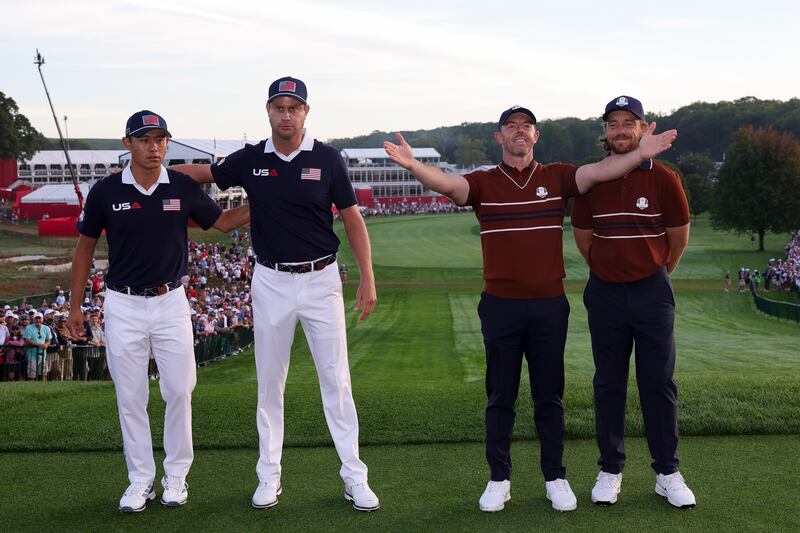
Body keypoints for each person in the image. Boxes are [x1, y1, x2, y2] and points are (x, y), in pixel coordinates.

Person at [384, 104, 677, 513]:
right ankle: (499, 479)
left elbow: (601, 172)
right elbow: (451, 186)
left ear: (536, 136)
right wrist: (415, 166)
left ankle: (555, 477)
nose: (519, 132)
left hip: (548, 306)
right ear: (499, 137)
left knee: (549, 397)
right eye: (511, 127)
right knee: (500, 396)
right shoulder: (485, 182)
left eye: (527, 127)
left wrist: (641, 154)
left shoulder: (557, 176)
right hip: (500, 305)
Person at [173, 76, 379, 512]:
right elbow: (204, 174)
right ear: (268, 111)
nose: (286, 115)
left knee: (337, 381)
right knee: (270, 384)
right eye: (278, 107)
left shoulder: (327, 158)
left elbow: (353, 217)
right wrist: (151, 173)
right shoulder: (250, 159)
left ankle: (354, 475)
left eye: (294, 107)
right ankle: (269, 474)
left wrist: (367, 277)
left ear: (306, 112)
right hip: (269, 280)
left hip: (321, 280)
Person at [68, 110, 250, 513]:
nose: (154, 147)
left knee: (179, 391)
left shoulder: (181, 186)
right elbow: (83, 249)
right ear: (127, 144)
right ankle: (139, 480)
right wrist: (76, 307)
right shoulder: (106, 191)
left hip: (171, 302)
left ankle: (176, 475)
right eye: (145, 139)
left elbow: (220, 222)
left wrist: (269, 201)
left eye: (161, 139)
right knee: (130, 397)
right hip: (123, 303)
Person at [571, 95, 695, 509]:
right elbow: (585, 242)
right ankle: (610, 469)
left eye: (629, 123)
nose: (621, 130)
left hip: (651, 292)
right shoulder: (591, 180)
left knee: (658, 383)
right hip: (605, 293)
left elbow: (677, 240)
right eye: (613, 123)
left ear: (643, 129)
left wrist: (653, 273)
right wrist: (612, 273)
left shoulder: (665, 179)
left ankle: (667, 472)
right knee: (608, 384)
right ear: (604, 132)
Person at [23, 312, 52, 380]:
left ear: (42, 319)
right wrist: (39, 345)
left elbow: (49, 340)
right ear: (33, 319)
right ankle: (32, 389)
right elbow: (27, 340)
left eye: (39, 318)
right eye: (36, 318)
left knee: (44, 373)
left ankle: (44, 389)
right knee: (32, 375)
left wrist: (46, 344)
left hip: (42, 354)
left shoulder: (47, 328)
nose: (38, 320)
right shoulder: (29, 328)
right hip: (31, 354)